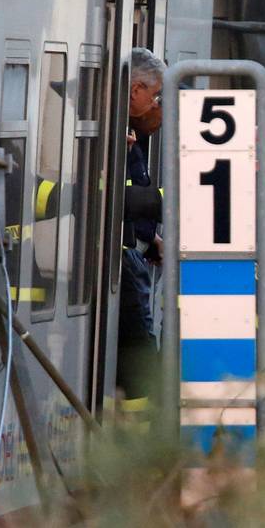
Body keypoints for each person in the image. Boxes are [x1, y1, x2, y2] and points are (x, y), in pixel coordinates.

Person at [116, 47, 166, 414]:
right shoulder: (117, 131)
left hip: (137, 252)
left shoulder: (129, 131)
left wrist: (152, 239)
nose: (157, 104)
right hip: (124, 261)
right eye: (155, 94)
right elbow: (119, 199)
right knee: (141, 360)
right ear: (135, 90)